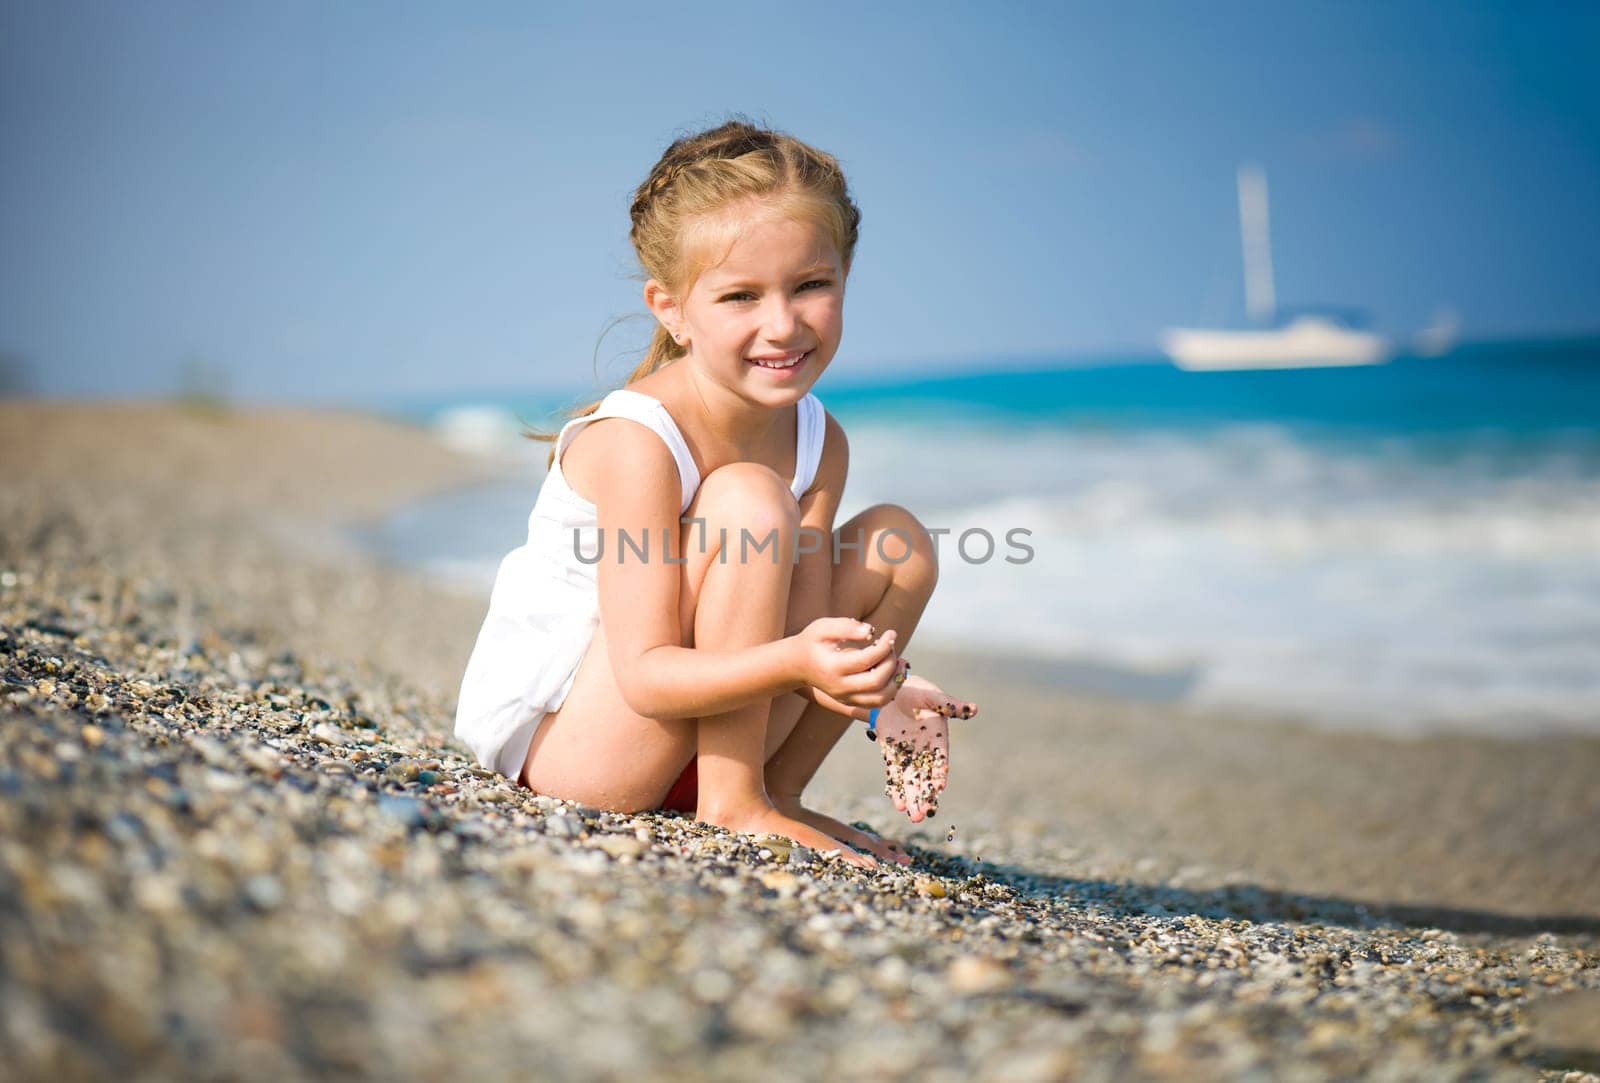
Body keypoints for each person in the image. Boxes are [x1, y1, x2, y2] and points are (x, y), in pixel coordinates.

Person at [454, 118, 977, 869]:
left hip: (706, 732)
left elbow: (810, 610)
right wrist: (799, 661)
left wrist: (877, 684)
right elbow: (645, 673)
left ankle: (773, 791)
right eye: (740, 296)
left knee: (898, 543)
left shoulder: (818, 438)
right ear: (670, 307)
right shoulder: (639, 441)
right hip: (587, 751)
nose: (782, 323)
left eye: (812, 285)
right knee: (748, 500)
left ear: (845, 274)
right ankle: (734, 802)